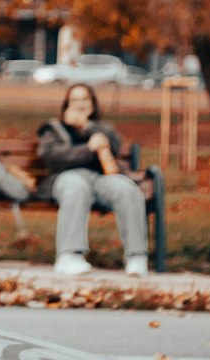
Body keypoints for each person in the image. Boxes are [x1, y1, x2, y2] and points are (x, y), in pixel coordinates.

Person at [37, 83, 149, 276]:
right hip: (66, 177)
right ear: (67, 105)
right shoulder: (54, 128)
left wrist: (86, 126)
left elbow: (114, 146)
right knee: (77, 187)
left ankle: (136, 256)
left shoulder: (102, 128)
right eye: (75, 100)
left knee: (126, 189)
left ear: (93, 103)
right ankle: (69, 256)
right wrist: (87, 149)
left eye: (85, 99)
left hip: (100, 179)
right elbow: (51, 157)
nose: (80, 104)